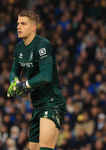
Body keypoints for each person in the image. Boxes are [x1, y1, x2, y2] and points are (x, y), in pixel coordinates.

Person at [7, 10, 66, 150]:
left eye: (23, 24)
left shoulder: (43, 45)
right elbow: (14, 70)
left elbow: (46, 76)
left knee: (45, 147)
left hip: (52, 102)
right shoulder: (19, 48)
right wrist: (14, 83)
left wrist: (23, 85)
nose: (18, 27)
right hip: (37, 104)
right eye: (17, 23)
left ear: (33, 27)